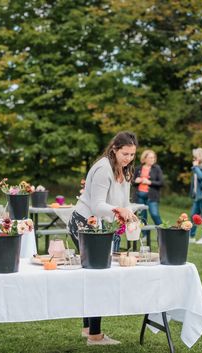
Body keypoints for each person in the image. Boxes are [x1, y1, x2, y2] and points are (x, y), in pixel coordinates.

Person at [68, 131, 138, 345]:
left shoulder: (124, 169)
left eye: (133, 154)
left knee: (93, 277)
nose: (128, 158)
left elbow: (123, 201)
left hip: (102, 226)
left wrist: (127, 214)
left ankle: (88, 328)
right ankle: (95, 335)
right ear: (115, 149)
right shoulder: (102, 169)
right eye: (125, 153)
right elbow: (98, 205)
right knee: (97, 277)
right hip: (84, 224)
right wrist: (118, 210)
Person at [133, 149, 163, 241]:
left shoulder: (157, 168)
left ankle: (162, 233)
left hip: (152, 196)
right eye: (150, 157)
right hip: (139, 196)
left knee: (155, 214)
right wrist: (136, 180)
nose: (152, 159)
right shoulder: (138, 168)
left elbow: (161, 182)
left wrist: (149, 182)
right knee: (142, 216)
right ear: (144, 158)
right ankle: (145, 235)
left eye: (153, 157)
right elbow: (131, 181)